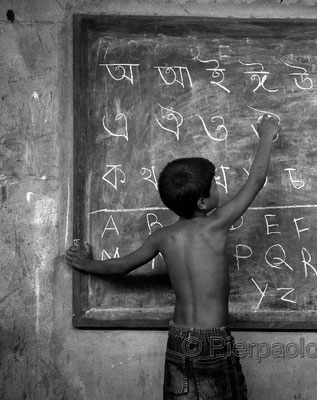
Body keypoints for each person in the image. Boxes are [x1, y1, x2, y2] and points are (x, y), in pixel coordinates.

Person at [65, 114, 282, 399]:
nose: (219, 188)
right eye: (215, 186)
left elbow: (122, 265)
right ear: (203, 202)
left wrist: (88, 263)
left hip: (179, 339)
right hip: (213, 339)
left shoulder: (162, 237)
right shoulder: (217, 224)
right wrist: (267, 135)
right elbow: (256, 180)